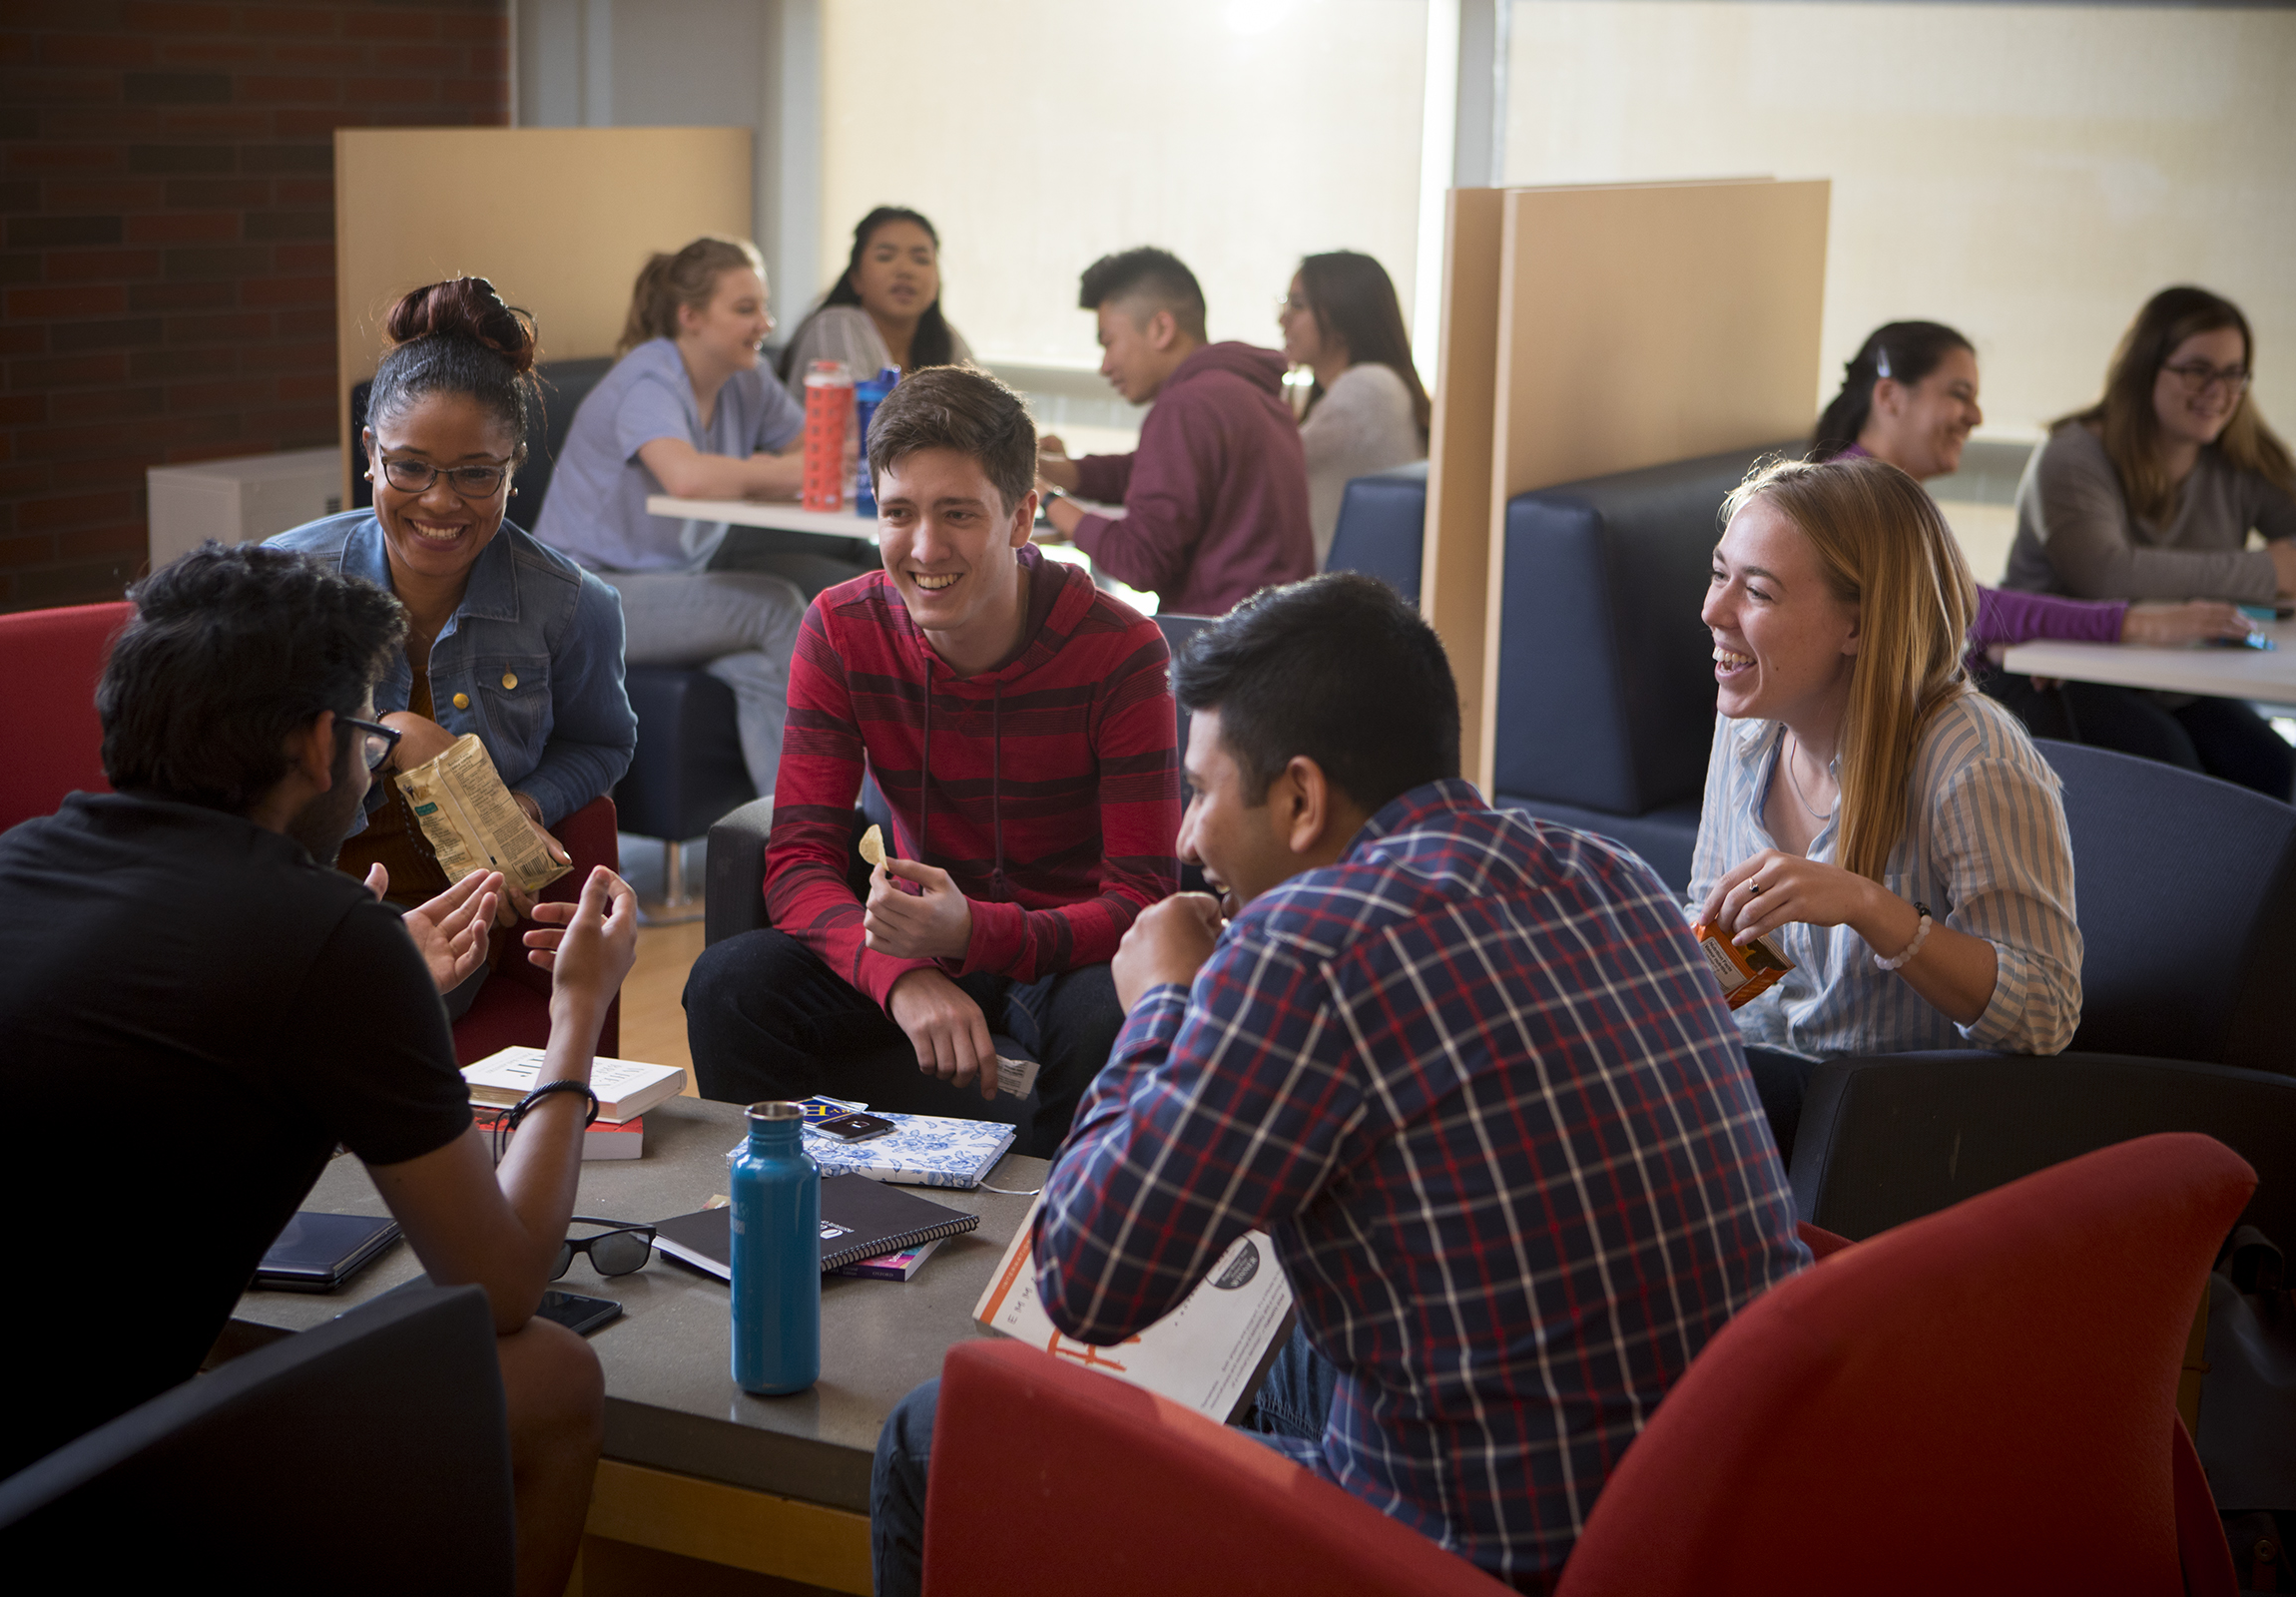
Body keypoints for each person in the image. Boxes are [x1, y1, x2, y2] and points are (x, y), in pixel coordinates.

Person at [865, 573, 1803, 1594]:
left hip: (1462, 1554)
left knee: (939, 1429)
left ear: (1302, 798)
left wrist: (1162, 1005)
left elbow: (1085, 1280)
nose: (1184, 838)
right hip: (1711, 1519)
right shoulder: (1607, 872)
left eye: (1203, 790)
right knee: (1275, 1339)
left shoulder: (1307, 949)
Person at [0, 542, 640, 1597]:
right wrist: (575, 1016)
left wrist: (371, 975)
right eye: (366, 738)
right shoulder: (323, 942)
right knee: (549, 1373)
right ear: (321, 746)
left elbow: (190, 1043)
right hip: (48, 1504)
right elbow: (501, 1283)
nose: (366, 768)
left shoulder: (18, 864)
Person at [683, 365, 1181, 1159]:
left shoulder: (1120, 649)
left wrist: (976, 931)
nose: (924, 548)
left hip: (1070, 947)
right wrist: (902, 978)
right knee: (730, 986)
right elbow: (799, 861)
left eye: (958, 514)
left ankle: (1038, 1257)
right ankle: (797, 1218)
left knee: (1114, 1020)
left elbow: (1142, 899)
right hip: (923, 939)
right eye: (899, 514)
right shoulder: (842, 628)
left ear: (1021, 519)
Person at [1691, 455, 2081, 1160]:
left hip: (1901, 1132)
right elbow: (1726, 937)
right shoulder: (1748, 721)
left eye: (1758, 592)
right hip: (1773, 1091)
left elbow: (2046, 1012)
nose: (1713, 611)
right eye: (1721, 575)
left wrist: (1873, 909)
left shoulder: (1972, 758)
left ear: (1860, 627)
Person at [269, 277, 636, 1001]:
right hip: (297, 895)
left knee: (373, 1006)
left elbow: (604, 743)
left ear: (513, 468)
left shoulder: (571, 605)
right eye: (409, 467)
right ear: (370, 451)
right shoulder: (284, 583)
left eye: (475, 474)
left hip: (454, 922)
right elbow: (229, 751)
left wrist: (527, 802)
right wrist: (393, 734)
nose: (441, 500)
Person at [1815, 319, 2252, 749]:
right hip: (1876, 740)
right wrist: (2139, 624)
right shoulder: (1860, 492)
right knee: (2164, 747)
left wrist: (1994, 649)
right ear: (1890, 396)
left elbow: (1938, 616)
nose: (1976, 416)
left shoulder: (1866, 486)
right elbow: (1969, 608)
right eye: (1959, 394)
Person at [2003, 286, 2296, 798]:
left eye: (2233, 373)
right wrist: (2269, 571)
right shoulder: (2070, 457)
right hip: (2060, 679)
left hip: (2176, 678)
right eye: (2197, 369)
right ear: (2146, 367)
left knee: (2290, 786)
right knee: (2186, 789)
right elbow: (2110, 575)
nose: (2217, 390)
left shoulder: (2241, 456)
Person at [534, 238, 818, 787]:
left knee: (763, 671)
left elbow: (824, 450)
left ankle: (792, 850)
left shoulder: (746, 378)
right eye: (744, 309)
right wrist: (781, 470)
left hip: (667, 588)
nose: (765, 322)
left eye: (763, 306)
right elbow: (685, 478)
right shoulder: (650, 378)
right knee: (776, 605)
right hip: (583, 597)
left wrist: (786, 467)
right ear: (689, 317)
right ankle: (831, 828)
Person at [1035, 247, 1313, 615]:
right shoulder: (1242, 390)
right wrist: (1055, 469)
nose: (1104, 366)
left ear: (1161, 329)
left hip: (1223, 643)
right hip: (1281, 630)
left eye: (1109, 342)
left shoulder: (1186, 406)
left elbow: (1139, 560)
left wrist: (1045, 498)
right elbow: (1157, 469)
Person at [1278, 251, 1430, 567]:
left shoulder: (1369, 388)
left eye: (1298, 305)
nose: (1283, 319)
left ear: (1344, 317)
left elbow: (1269, 467)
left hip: (1343, 595)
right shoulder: (1352, 389)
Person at [776, 205, 974, 397]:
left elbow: (988, 418)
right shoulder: (835, 326)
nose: (905, 270)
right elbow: (862, 427)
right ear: (855, 277)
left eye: (921, 259)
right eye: (885, 257)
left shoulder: (947, 339)